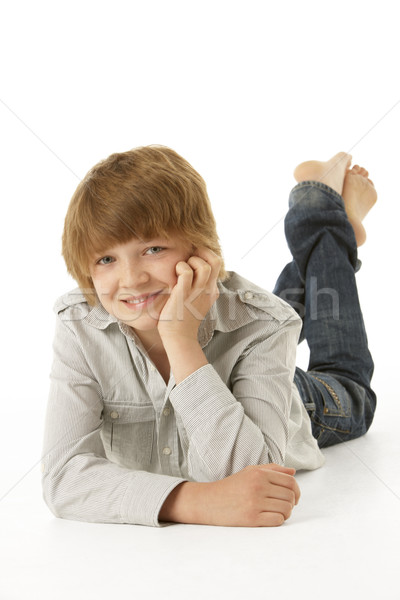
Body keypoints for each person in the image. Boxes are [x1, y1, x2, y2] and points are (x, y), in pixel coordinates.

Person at [41, 146, 377, 528]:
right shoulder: (79, 322)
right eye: (106, 259)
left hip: (298, 402)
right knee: (259, 315)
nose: (132, 279)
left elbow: (254, 478)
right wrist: (196, 502)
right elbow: (63, 477)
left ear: (201, 249)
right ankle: (330, 218)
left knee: (350, 387)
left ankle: (321, 211)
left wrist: (179, 338)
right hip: (249, 342)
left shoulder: (266, 324)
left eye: (153, 249)